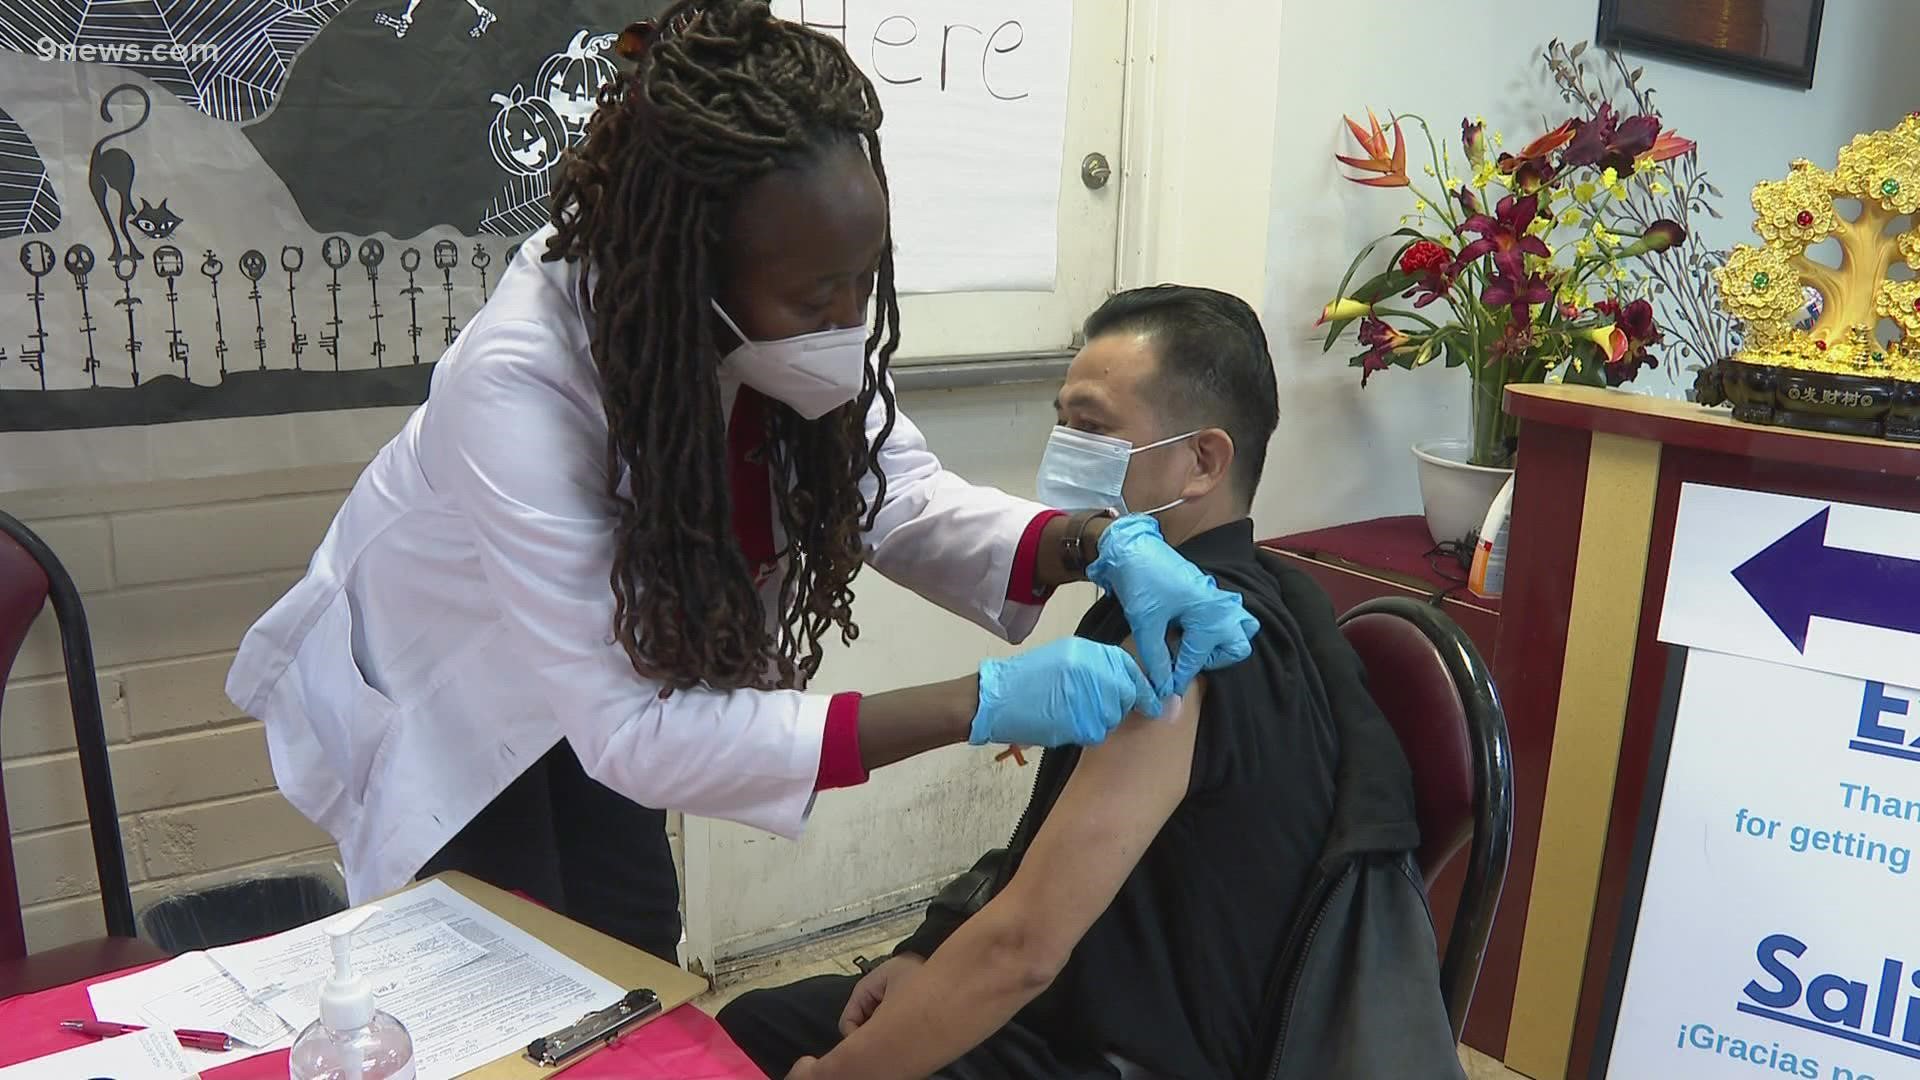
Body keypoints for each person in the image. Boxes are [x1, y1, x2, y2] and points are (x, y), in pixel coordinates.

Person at [224, 1, 1258, 964]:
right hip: (449, 676)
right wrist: (977, 704)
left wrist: (1091, 543)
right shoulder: (522, 379)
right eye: (818, 298)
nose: (850, 323)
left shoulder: (798, 305)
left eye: (866, 281)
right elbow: (630, 731)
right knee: (505, 969)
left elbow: (898, 494)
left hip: (597, 674)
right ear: (694, 273)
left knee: (631, 933)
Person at [717, 286, 1461, 1080]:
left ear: (1202, 460)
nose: (1064, 447)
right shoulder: (1268, 590)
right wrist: (929, 947)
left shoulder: (1179, 638)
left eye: (1093, 426)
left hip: (1119, 1054)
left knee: (752, 1041)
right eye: (1062, 419)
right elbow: (1044, 855)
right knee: (766, 1019)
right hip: (1104, 1001)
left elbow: (1023, 949)